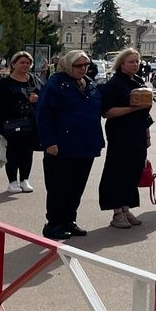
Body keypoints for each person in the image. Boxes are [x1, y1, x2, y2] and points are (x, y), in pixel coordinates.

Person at [37, 50, 104, 240]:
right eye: (78, 65)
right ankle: (53, 224)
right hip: (62, 146)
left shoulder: (89, 83)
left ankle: (69, 220)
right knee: (59, 187)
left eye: (86, 65)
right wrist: (49, 142)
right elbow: (43, 114)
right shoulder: (55, 84)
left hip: (85, 145)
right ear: (68, 65)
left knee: (76, 187)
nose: (83, 69)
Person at [98, 49, 153, 229]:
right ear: (121, 64)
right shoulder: (114, 84)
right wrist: (132, 109)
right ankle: (116, 213)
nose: (136, 64)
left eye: (137, 61)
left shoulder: (138, 81)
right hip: (120, 134)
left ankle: (126, 208)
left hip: (137, 133)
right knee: (118, 172)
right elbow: (107, 112)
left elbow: (145, 112)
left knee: (133, 171)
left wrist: (147, 134)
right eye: (131, 62)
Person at [0, 51, 42, 194]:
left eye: (28, 63)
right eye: (22, 62)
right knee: (12, 153)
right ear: (13, 64)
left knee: (27, 152)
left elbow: (45, 96)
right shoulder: (4, 83)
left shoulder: (34, 80)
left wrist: (38, 99)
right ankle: (12, 181)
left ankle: (25, 179)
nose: (25, 65)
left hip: (30, 123)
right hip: (10, 124)